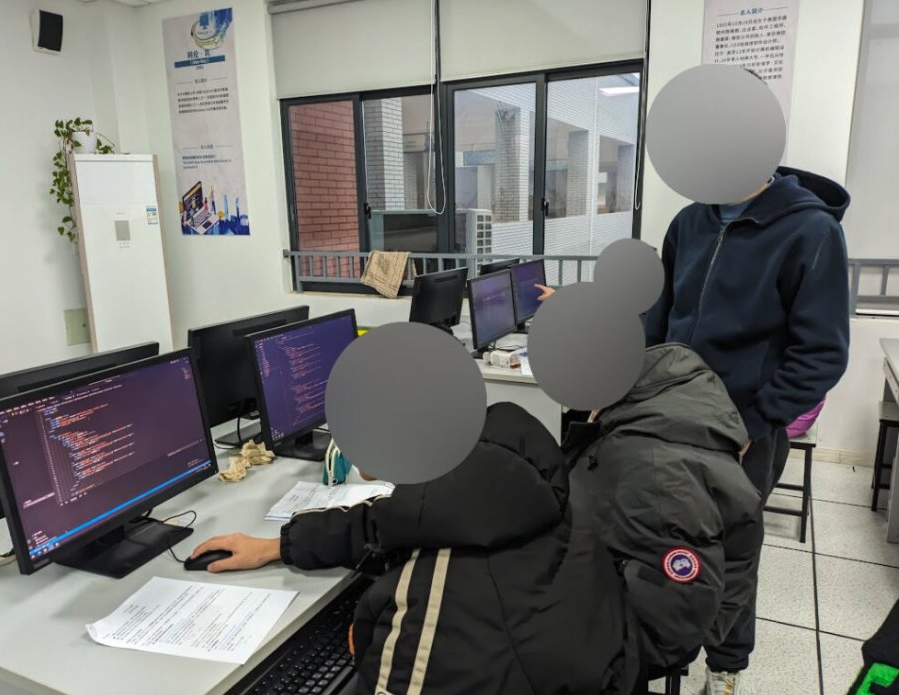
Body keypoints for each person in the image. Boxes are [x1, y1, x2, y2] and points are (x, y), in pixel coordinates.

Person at [191, 402, 641, 695]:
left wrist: (367, 642)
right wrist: (281, 546)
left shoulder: (443, 584)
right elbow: (389, 521)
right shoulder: (498, 473)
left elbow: (405, 678)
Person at [642, 165, 850, 694]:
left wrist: (754, 424)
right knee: (660, 538)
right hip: (673, 417)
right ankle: (660, 650)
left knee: (731, 553)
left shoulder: (812, 231)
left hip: (746, 433)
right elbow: (661, 320)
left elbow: (822, 354)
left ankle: (725, 668)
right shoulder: (689, 223)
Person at [564, 343, 763, 687]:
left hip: (636, 640)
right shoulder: (701, 419)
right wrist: (716, 629)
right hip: (686, 620)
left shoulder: (629, 456)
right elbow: (743, 548)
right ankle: (725, 666)